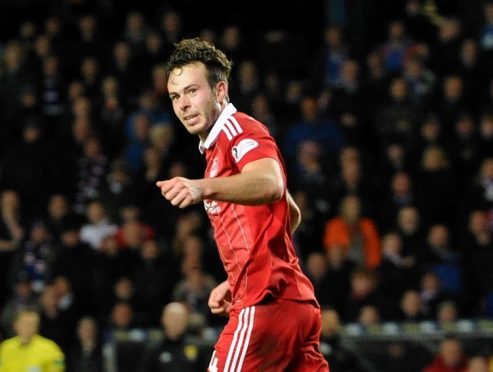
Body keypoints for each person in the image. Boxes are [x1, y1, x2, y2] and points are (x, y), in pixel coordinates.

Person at [156, 38, 329, 371]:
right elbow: (290, 212)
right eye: (176, 96)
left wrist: (201, 188)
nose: (183, 105)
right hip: (294, 305)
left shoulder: (239, 131)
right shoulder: (216, 149)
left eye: (193, 91)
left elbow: (271, 183)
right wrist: (236, 279)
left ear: (221, 91)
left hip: (264, 304)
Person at [0, 307, 65, 371]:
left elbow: (58, 369)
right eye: (25, 323)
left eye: (32, 324)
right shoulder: (5, 347)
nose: (28, 328)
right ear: (16, 325)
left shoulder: (51, 348)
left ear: (37, 327)